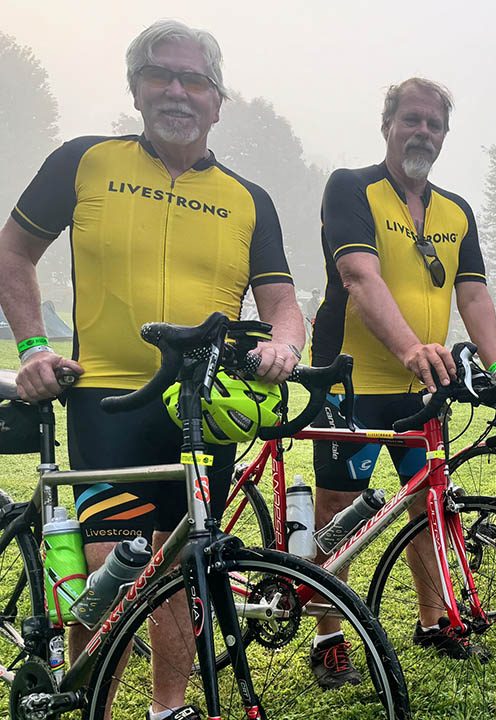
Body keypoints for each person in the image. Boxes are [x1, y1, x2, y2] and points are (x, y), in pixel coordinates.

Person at [0, 20, 303, 720]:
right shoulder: (85, 160)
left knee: (179, 569)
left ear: (217, 100)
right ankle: (84, 692)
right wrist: (34, 348)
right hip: (110, 398)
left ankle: (166, 707)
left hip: (209, 405)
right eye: (161, 75)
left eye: (194, 80)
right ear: (135, 87)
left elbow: (283, 303)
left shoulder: (248, 197)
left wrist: (284, 346)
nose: (177, 91)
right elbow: (12, 253)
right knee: (118, 562)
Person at [308, 78, 496, 665]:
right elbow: (358, 277)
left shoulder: (456, 210)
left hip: (423, 389)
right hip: (353, 383)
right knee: (336, 514)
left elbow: (473, 294)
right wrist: (410, 349)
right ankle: (327, 636)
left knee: (431, 506)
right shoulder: (351, 188)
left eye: (435, 124)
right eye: (412, 120)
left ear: (445, 136)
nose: (423, 131)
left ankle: (433, 620)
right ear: (387, 123)